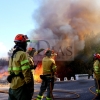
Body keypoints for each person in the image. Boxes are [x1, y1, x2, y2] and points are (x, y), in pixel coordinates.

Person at [7, 34, 34, 100]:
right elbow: (26, 70)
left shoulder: (13, 55)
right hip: (21, 85)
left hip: (12, 86)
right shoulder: (23, 54)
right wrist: (28, 83)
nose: (26, 45)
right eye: (25, 43)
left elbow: (11, 70)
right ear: (23, 43)